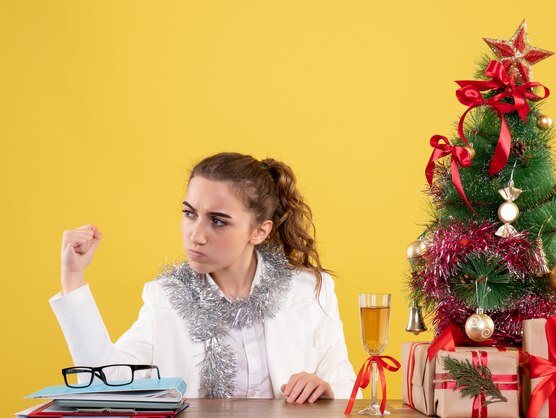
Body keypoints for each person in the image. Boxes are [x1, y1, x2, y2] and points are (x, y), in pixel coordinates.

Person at [50, 152, 359, 403]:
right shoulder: (166, 297)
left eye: (218, 221)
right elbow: (105, 385)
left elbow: (346, 385)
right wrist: (73, 277)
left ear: (259, 230)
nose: (195, 236)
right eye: (189, 214)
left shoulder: (309, 291)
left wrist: (325, 388)